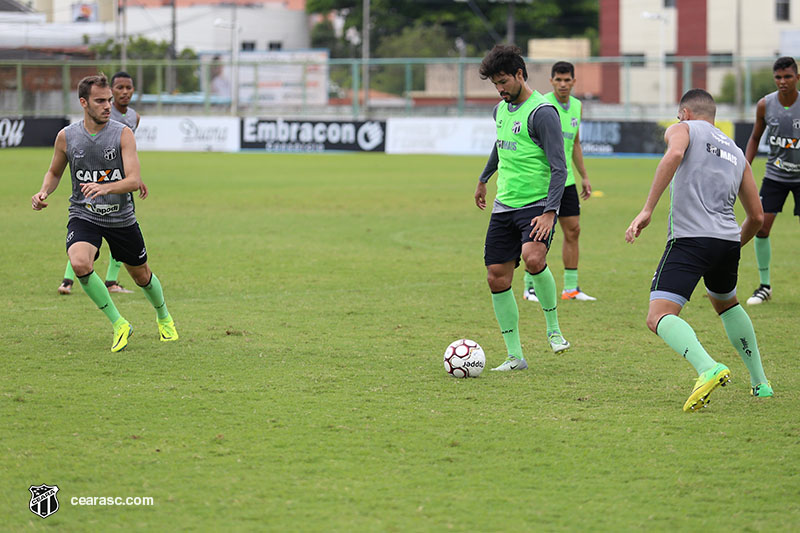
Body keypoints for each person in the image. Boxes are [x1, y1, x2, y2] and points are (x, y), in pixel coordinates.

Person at [625, 89, 772, 412]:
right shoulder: (736, 152)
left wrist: (647, 209)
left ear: (685, 113)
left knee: (658, 315)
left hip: (690, 240)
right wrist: (733, 244)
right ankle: (760, 383)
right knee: (727, 305)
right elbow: (757, 217)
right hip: (727, 241)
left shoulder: (683, 129)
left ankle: (708, 367)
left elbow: (674, 155)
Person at [32, 74, 178, 352]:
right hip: (84, 213)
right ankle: (119, 324)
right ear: (83, 102)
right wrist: (43, 192)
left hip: (120, 217)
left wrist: (104, 187)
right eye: (100, 101)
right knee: (79, 263)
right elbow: (54, 172)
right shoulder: (67, 137)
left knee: (142, 276)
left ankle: (164, 317)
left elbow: (134, 180)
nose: (107, 105)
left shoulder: (123, 133)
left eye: (109, 100)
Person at [474, 44, 570, 372]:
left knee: (533, 258)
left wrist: (550, 211)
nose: (500, 89)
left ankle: (554, 331)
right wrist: (484, 177)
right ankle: (515, 356)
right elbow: (501, 146)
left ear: (519, 74)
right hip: (504, 206)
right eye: (495, 84)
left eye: (503, 81)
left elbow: (560, 167)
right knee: (496, 277)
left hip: (537, 204)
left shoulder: (542, 112)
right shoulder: (500, 110)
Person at [57, 71, 146, 295]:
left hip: (117, 184)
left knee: (119, 225)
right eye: (119, 88)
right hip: (93, 185)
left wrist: (135, 178)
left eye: (129, 87)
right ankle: (69, 278)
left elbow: (124, 155)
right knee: (86, 221)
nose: (124, 92)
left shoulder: (134, 118)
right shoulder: (101, 115)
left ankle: (111, 281)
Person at [524, 61, 596, 303]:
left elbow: (575, 143)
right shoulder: (542, 105)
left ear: (574, 82)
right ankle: (529, 287)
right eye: (559, 80)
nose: (563, 84)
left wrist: (584, 175)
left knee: (573, 230)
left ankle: (571, 289)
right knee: (538, 232)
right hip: (544, 180)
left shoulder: (577, 106)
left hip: (567, 181)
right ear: (551, 81)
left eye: (568, 80)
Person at [743, 56, 800, 305]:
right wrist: (744, 168)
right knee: (761, 226)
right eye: (778, 77)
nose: (782, 81)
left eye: (788, 76)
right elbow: (755, 138)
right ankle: (765, 287)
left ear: (797, 77)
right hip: (775, 176)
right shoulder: (765, 105)